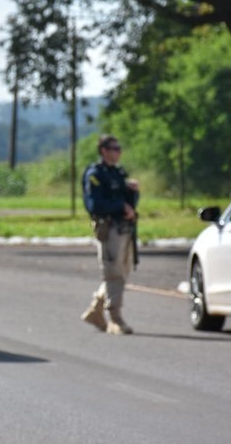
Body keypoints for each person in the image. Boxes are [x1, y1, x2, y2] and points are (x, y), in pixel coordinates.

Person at [81, 135, 139, 335]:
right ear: (104, 150)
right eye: (114, 148)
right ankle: (115, 317)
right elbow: (95, 204)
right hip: (109, 228)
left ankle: (96, 310)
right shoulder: (95, 174)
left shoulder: (118, 173)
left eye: (119, 148)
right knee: (113, 273)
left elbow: (129, 201)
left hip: (124, 229)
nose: (118, 152)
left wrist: (131, 192)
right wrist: (120, 206)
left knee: (121, 273)